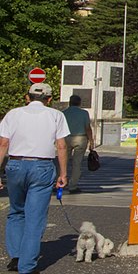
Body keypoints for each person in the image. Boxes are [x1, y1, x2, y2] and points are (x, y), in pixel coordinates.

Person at [0, 82, 70, 274]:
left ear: (27, 97)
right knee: (35, 217)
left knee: (16, 211)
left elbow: (4, 143)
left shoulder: (13, 114)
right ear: (49, 99)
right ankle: (27, 266)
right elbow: (61, 146)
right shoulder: (56, 115)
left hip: (15, 164)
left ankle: (16, 256)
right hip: (42, 166)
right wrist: (63, 173)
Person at [61, 94, 94, 193]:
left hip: (66, 138)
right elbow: (87, 128)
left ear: (69, 103)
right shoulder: (84, 113)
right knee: (77, 163)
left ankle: (61, 182)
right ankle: (73, 186)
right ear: (79, 103)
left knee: (63, 162)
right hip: (80, 138)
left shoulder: (63, 113)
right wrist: (91, 140)